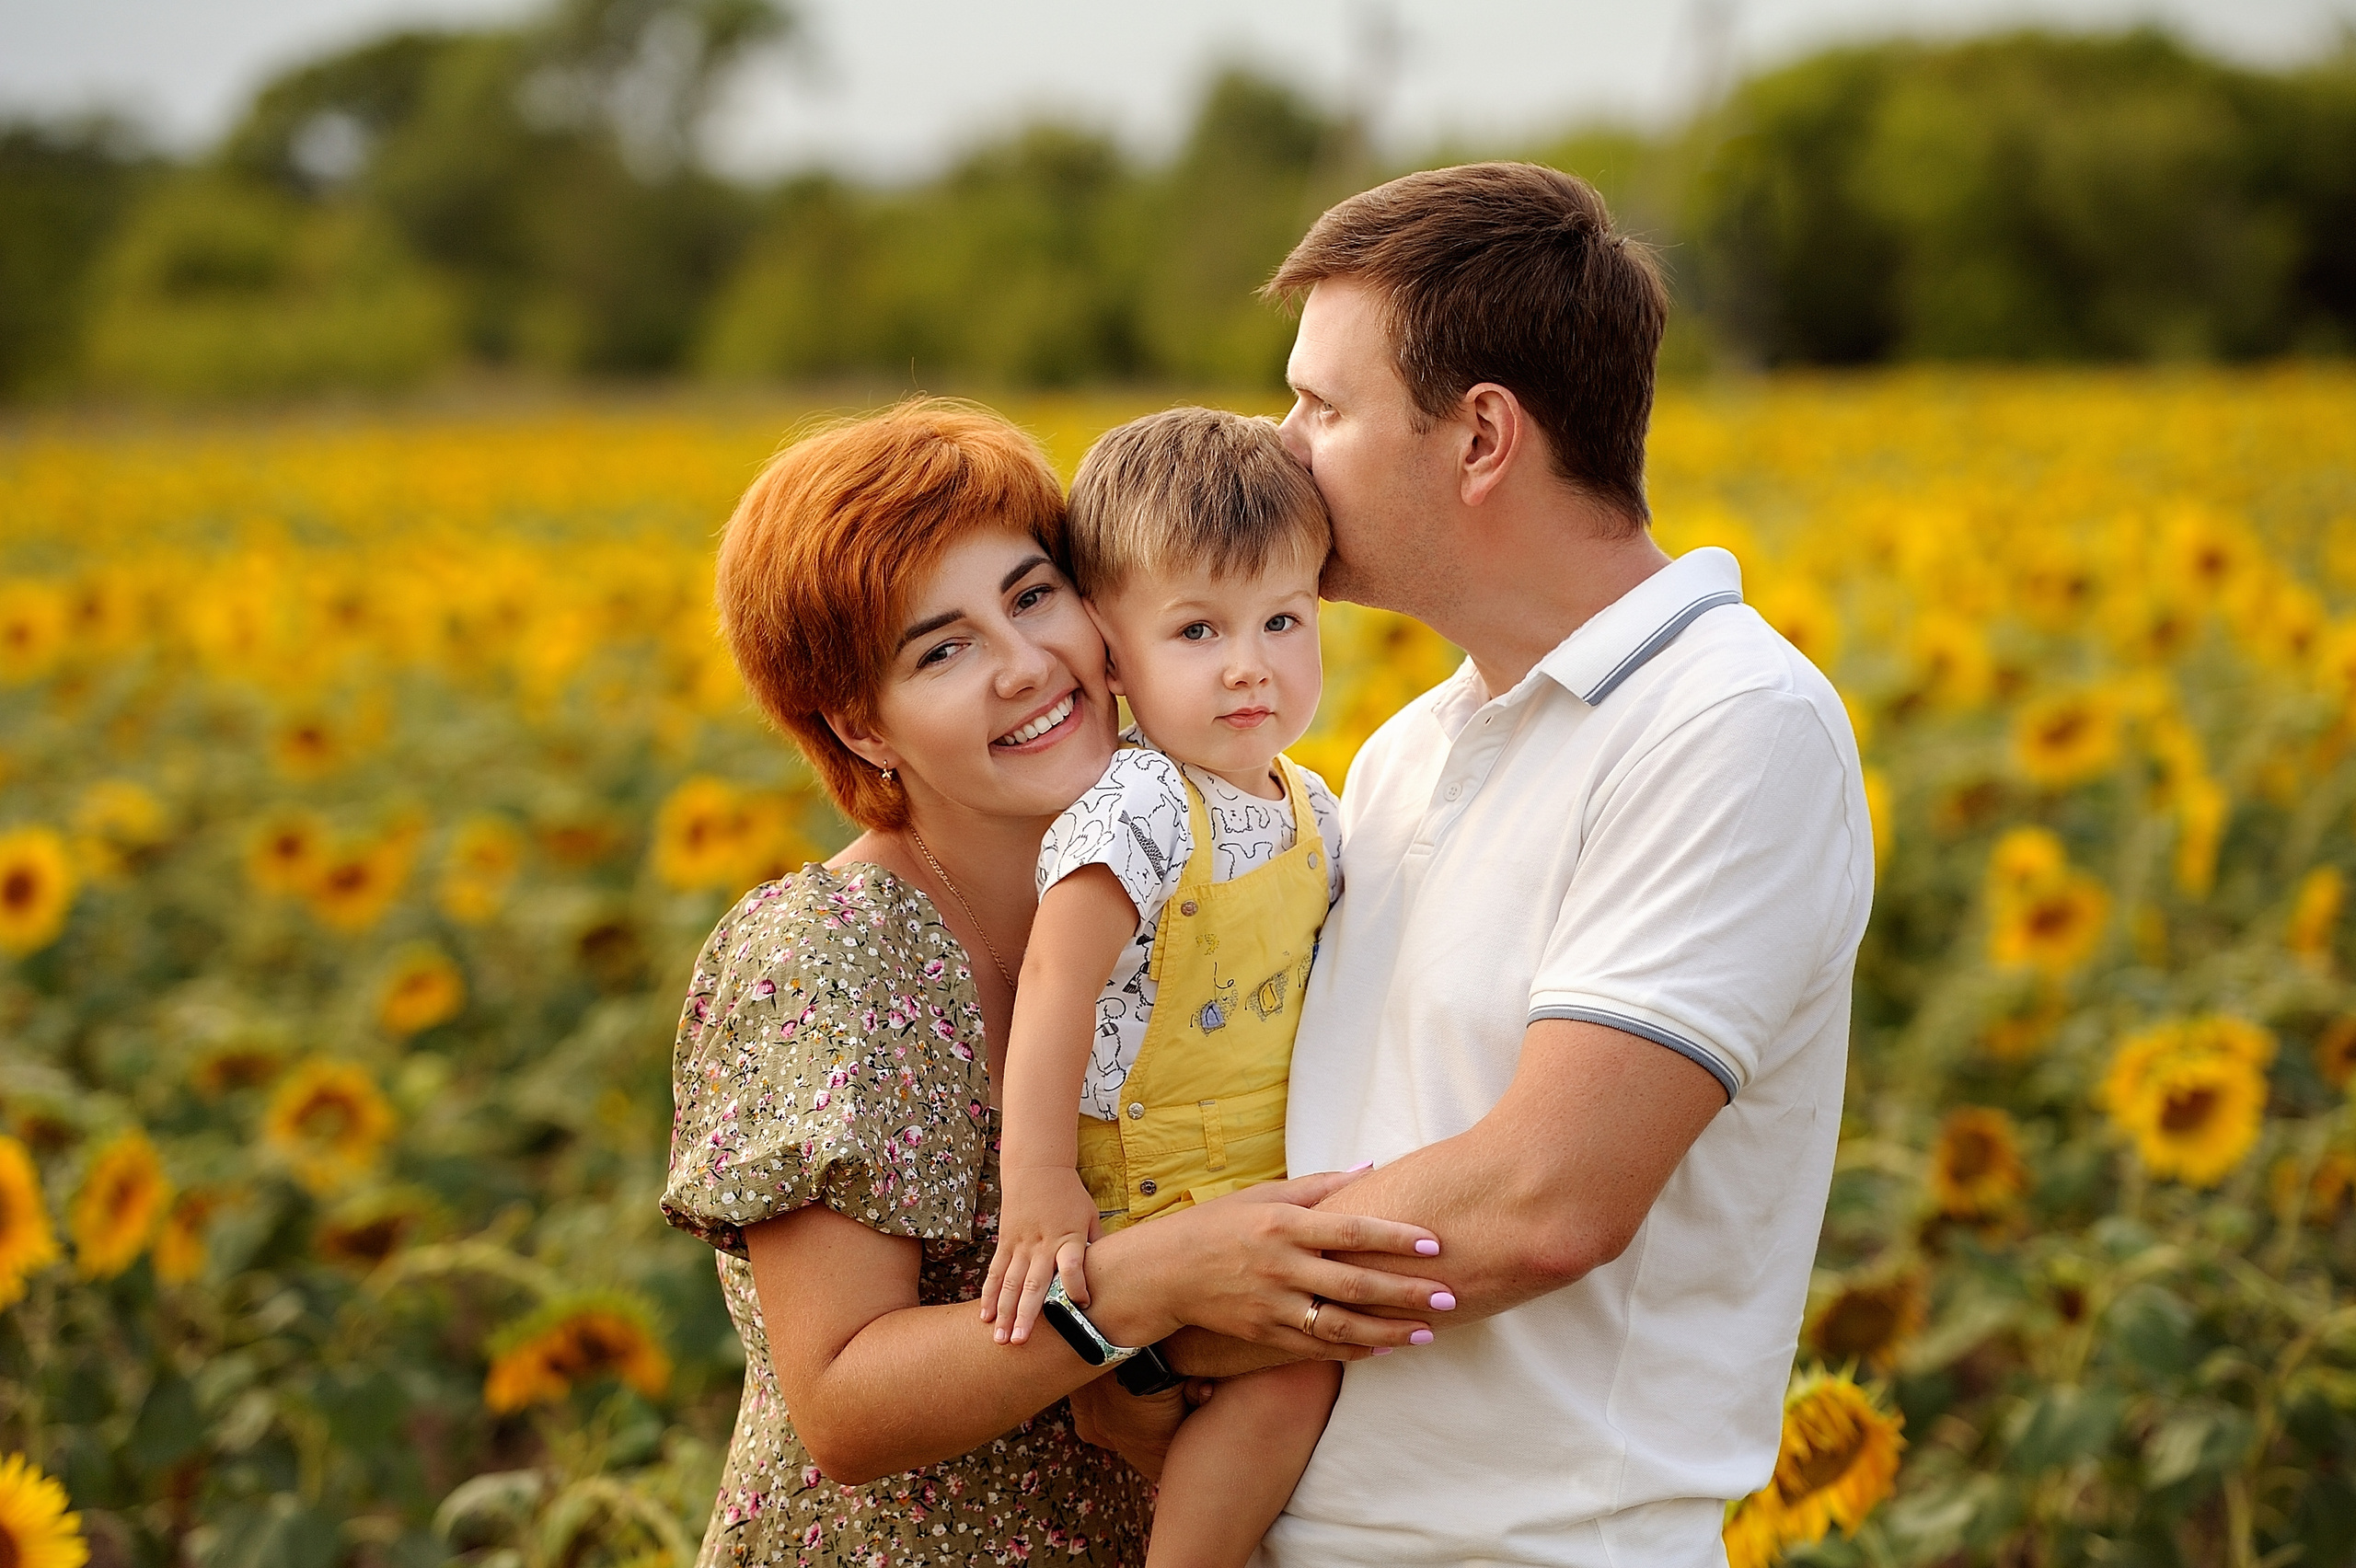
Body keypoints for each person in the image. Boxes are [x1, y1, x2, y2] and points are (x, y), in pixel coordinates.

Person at [658, 399, 1454, 1568]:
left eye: (1032, 597)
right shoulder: (826, 952)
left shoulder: (1200, 844)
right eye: (942, 649)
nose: (1025, 666)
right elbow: (842, 1409)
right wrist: (1151, 1285)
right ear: (860, 726)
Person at [1252, 164, 1877, 1565]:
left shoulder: (1732, 724)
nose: (1281, 445)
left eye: (1324, 406)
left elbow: (1542, 1201)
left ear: (1481, 438)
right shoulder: (1412, 742)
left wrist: (1158, 1302)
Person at [980, 409, 1363, 1568]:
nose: (1250, 662)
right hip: (1151, 1192)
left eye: (1282, 620)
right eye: (1197, 629)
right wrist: (1039, 1182)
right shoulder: (1139, 808)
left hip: (1250, 1175)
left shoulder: (1316, 807)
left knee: (1296, 1387)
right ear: (1108, 648)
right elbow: (1054, 977)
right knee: (1292, 1377)